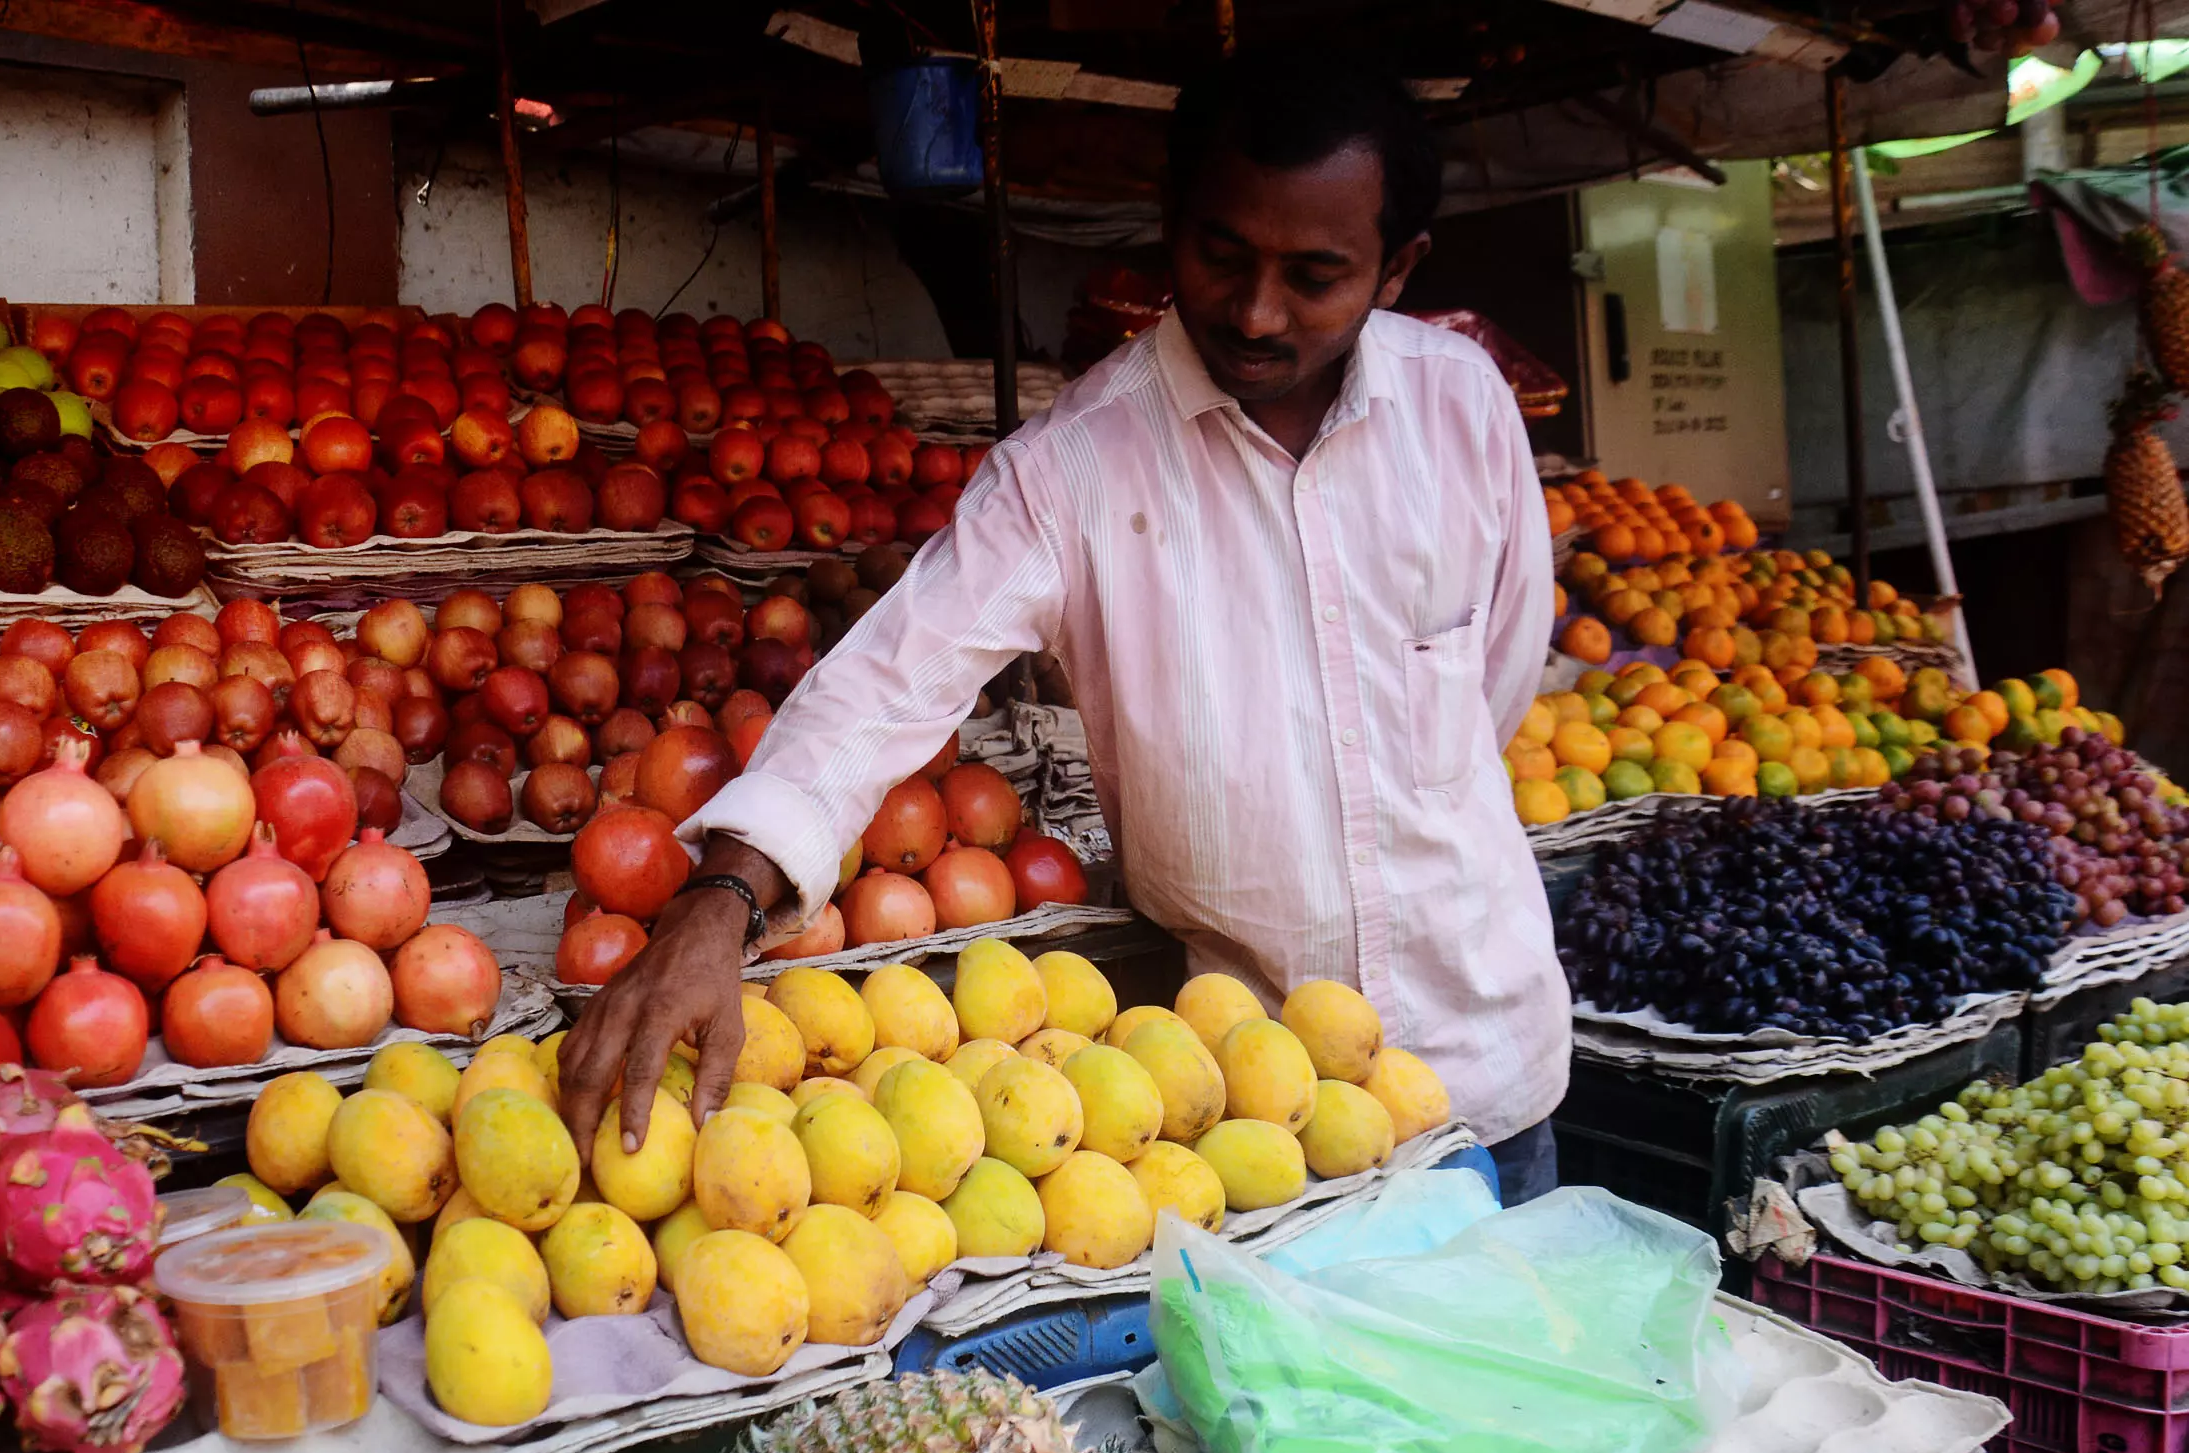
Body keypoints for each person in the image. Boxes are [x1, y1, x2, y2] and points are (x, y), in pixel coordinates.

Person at [559, 42, 1572, 1206]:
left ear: (1397, 269)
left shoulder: (1462, 409)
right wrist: (722, 897)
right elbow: (891, 678)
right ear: (1167, 223)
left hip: (1491, 1070)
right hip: (1254, 1120)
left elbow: (1493, 685)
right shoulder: (1074, 469)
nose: (1254, 309)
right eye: (1222, 253)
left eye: (1314, 275)